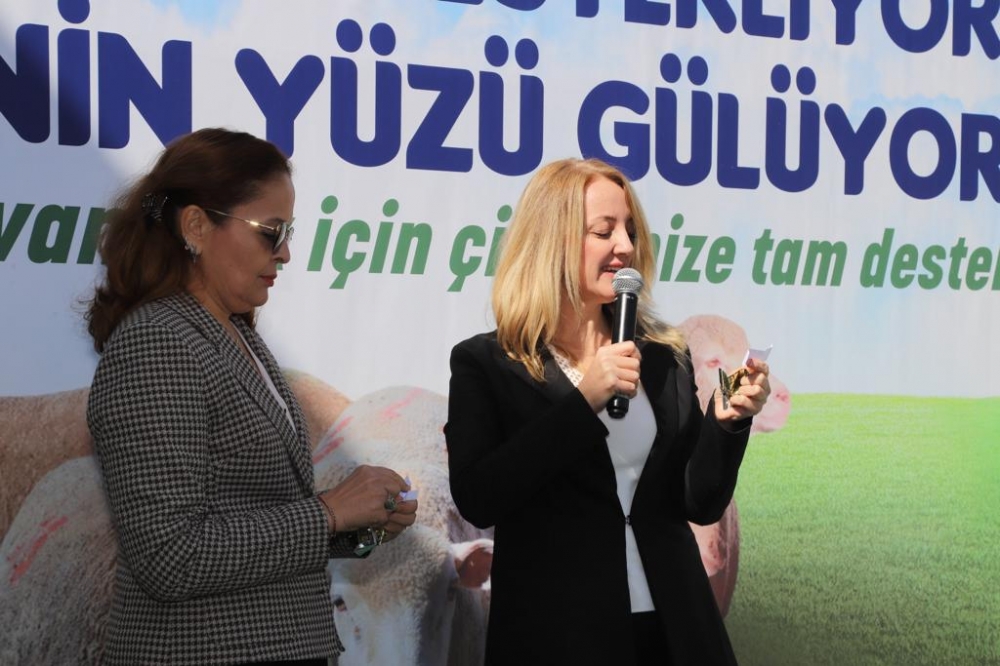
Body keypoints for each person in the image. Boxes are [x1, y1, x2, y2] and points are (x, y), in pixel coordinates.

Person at [84, 128, 418, 666]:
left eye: (288, 232)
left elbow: (251, 516)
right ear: (196, 226)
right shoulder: (157, 342)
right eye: (271, 232)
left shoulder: (234, 335)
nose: (285, 252)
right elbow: (170, 555)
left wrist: (359, 525)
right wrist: (329, 511)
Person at [444, 158, 770, 666]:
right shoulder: (486, 363)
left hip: (676, 628)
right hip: (559, 633)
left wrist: (726, 423)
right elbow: (480, 497)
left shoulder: (663, 355)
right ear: (552, 240)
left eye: (630, 230)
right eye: (604, 231)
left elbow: (698, 502)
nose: (625, 246)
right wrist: (584, 401)